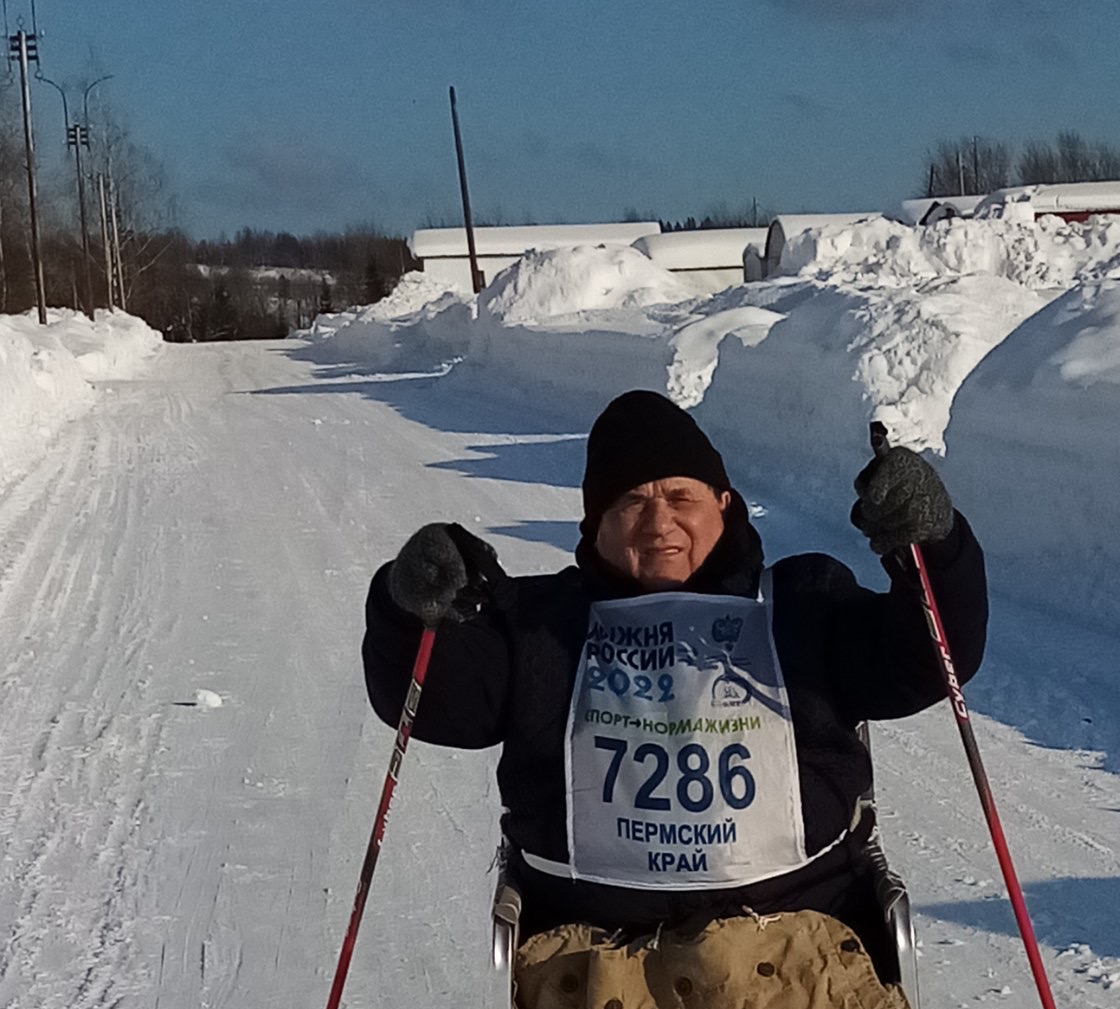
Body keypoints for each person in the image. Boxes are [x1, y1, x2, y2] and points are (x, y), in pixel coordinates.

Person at [362, 390, 987, 971]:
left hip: (800, 938)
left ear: (724, 503)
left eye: (680, 498)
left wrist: (931, 547)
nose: (658, 524)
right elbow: (432, 703)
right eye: (630, 501)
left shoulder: (801, 603)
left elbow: (928, 661)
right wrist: (408, 606)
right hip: (586, 954)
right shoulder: (538, 624)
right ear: (594, 524)